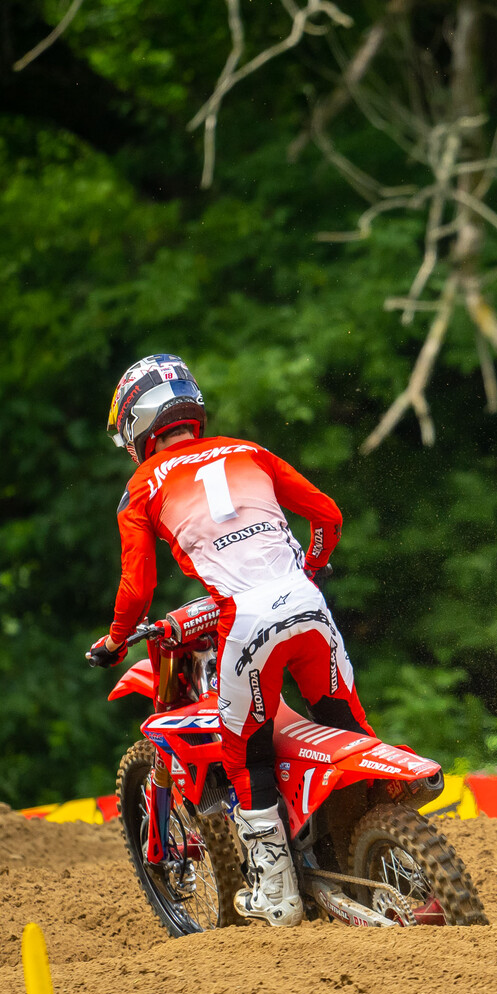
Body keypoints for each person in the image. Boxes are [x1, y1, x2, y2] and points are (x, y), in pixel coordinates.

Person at [85, 353, 368, 926]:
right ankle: (362, 849)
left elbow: (137, 588)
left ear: (137, 425)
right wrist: (312, 567)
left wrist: (115, 640)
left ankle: (280, 897)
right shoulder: (249, 451)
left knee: (245, 753)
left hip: (247, 619)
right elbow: (328, 515)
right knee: (343, 722)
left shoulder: (141, 485)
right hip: (310, 608)